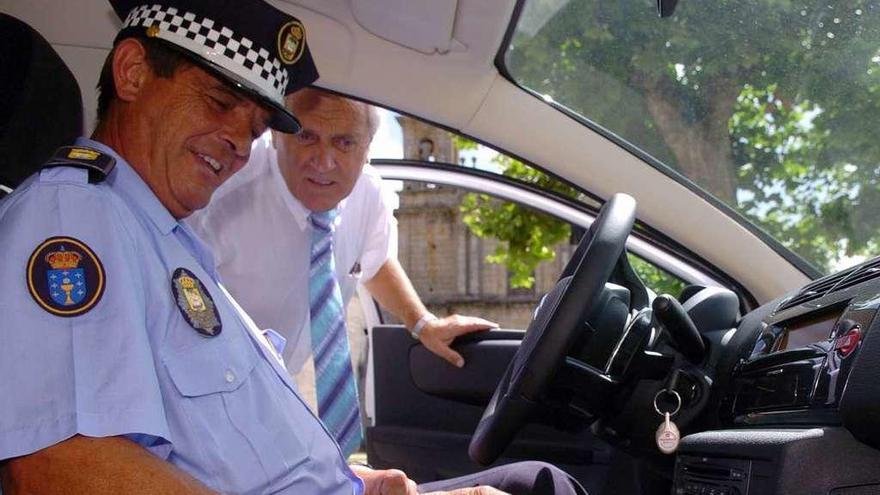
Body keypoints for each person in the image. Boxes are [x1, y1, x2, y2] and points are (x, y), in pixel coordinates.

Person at [0, 1, 584, 494]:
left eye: (254, 128)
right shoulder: (73, 219)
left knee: (540, 482)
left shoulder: (164, 237)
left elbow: (222, 440)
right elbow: (57, 465)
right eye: (218, 102)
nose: (237, 142)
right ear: (132, 72)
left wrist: (352, 480)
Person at [188, 88, 499, 453]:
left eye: (344, 142)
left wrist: (422, 323)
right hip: (201, 400)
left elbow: (374, 260)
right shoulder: (217, 196)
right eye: (306, 136)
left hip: (269, 397)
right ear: (275, 134)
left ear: (367, 149)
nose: (324, 161)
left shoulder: (368, 194)